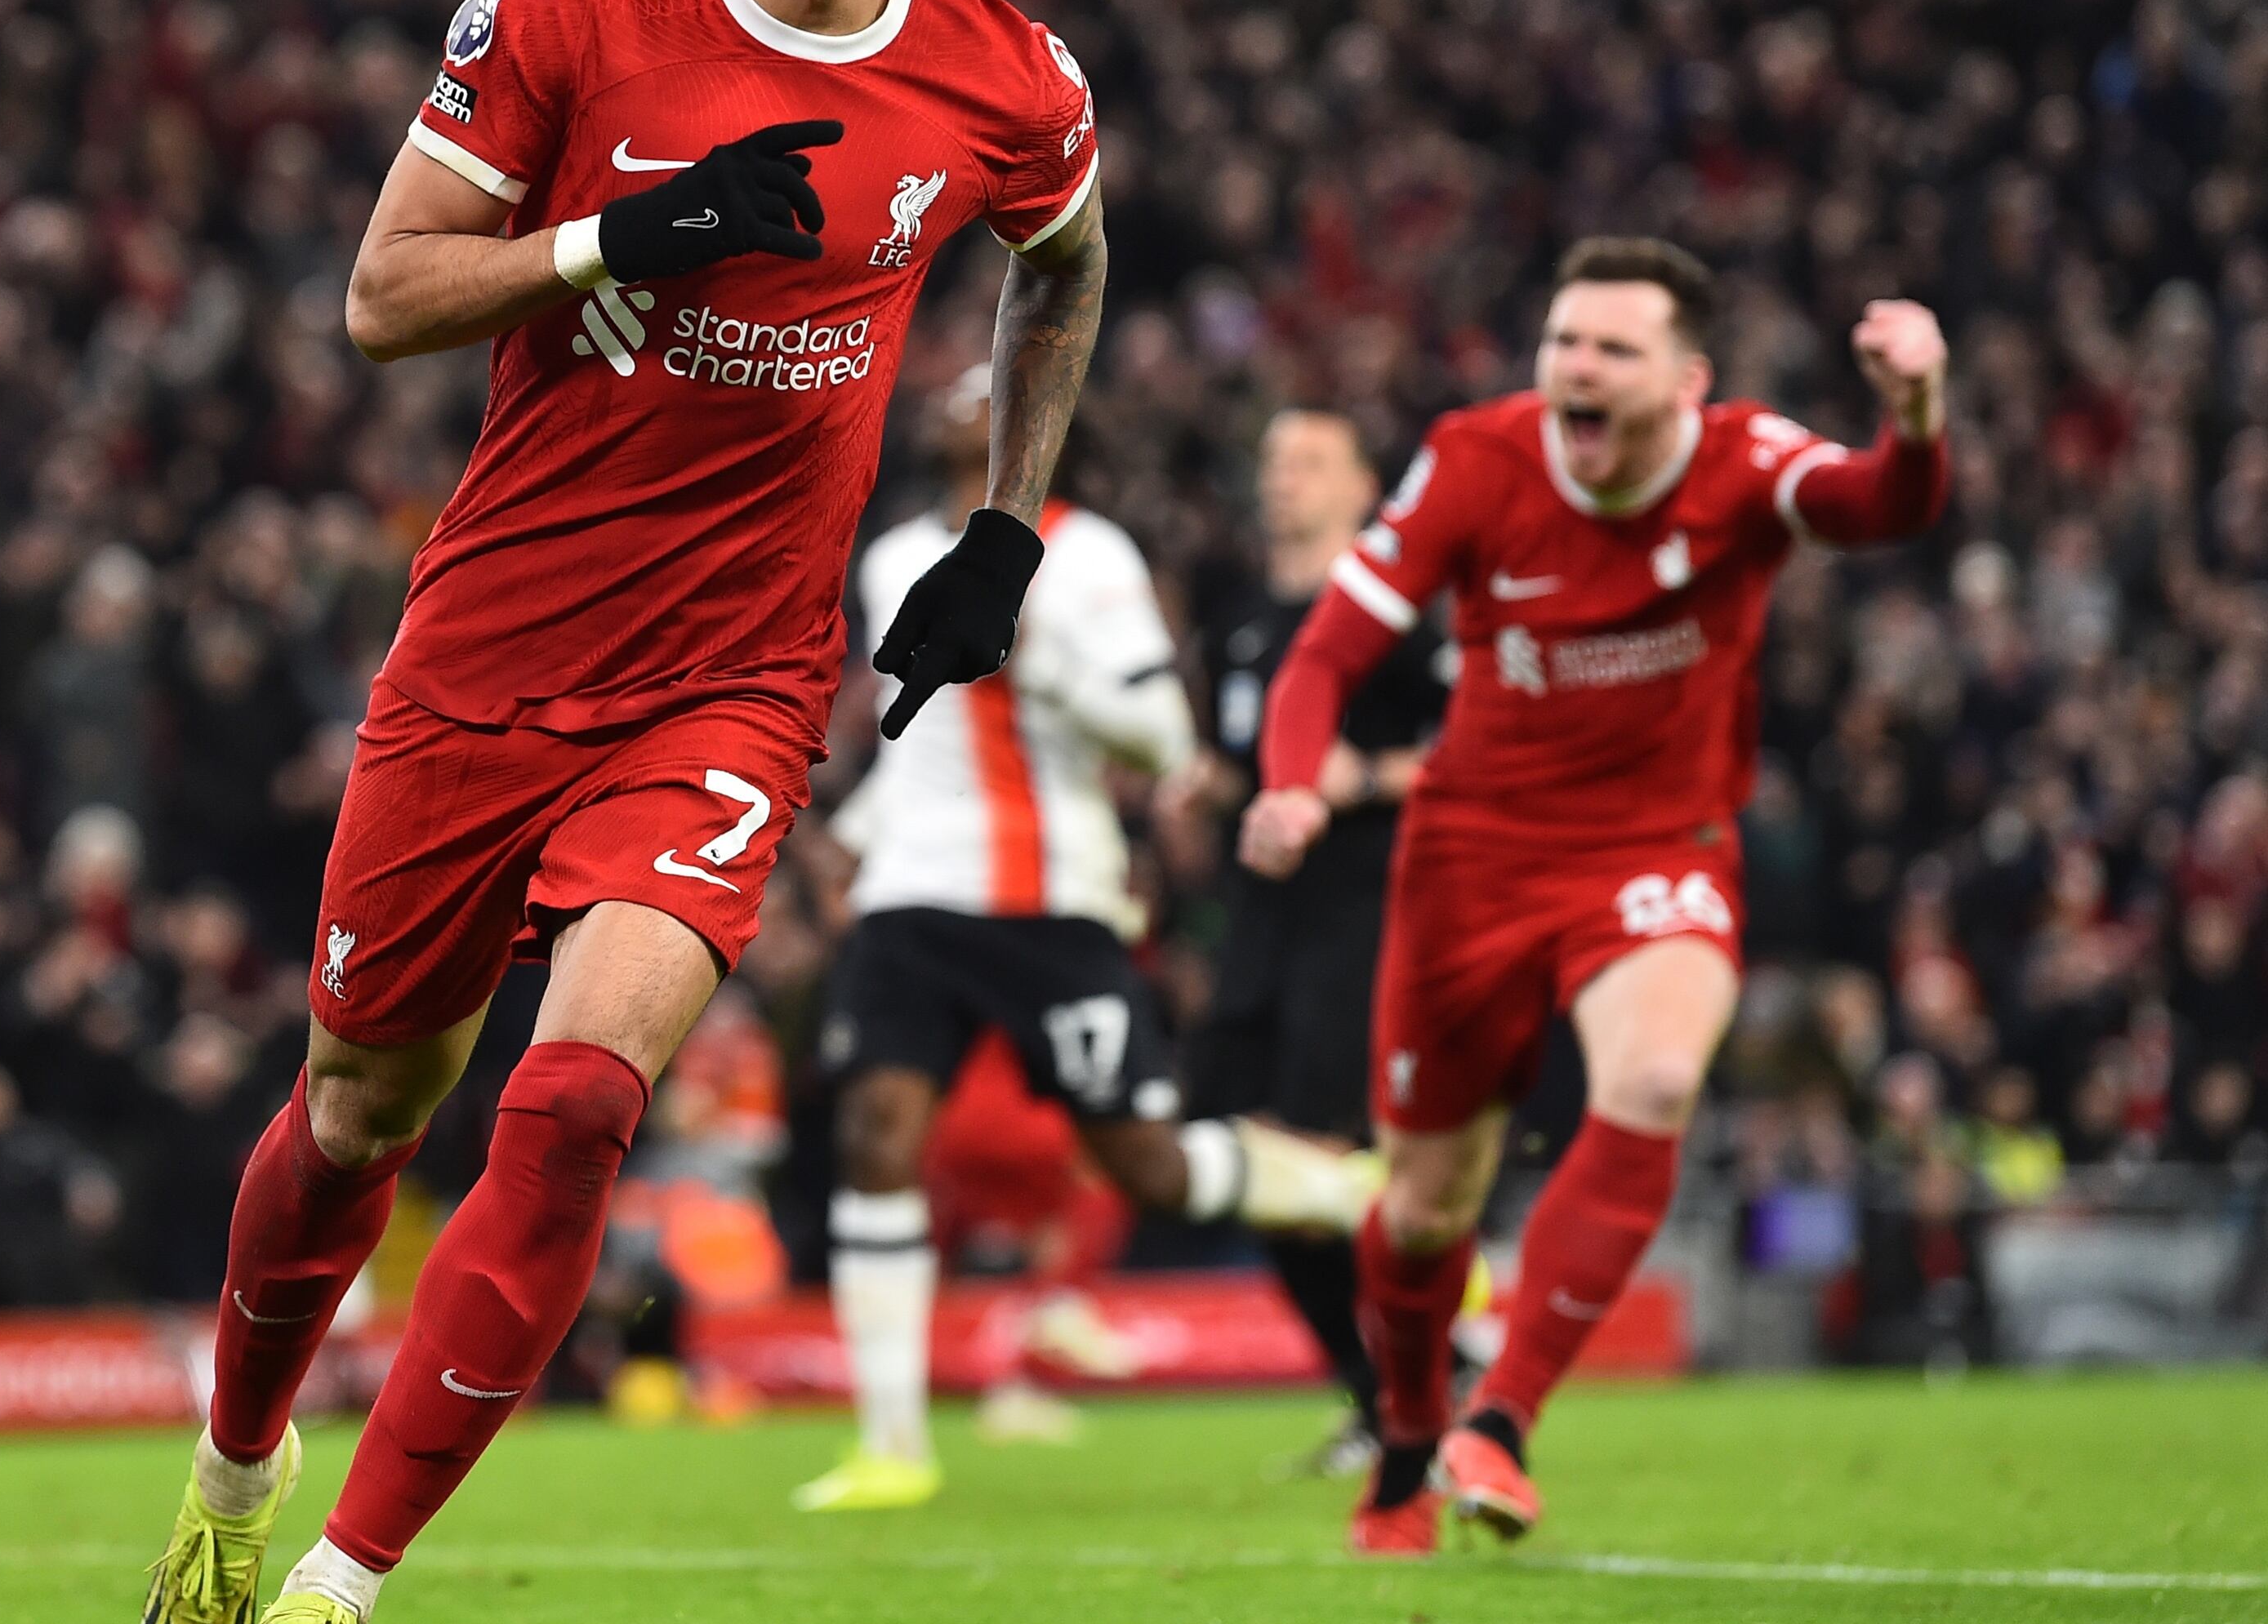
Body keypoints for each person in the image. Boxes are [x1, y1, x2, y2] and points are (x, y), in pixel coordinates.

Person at [131, 0, 1107, 1624]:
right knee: (362, 1120)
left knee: (574, 1101)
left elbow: (1070, 260)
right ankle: (226, 1494)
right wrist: (618, 241)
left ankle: (336, 1601)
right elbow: (386, 292)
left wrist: (1007, 524)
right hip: (488, 653)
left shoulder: (1004, 79)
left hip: (732, 684)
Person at [1239, 238, 1948, 1554]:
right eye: (1564, 341)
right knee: (1424, 1209)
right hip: (1471, 859)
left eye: (1614, 349)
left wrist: (1913, 408)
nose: (1578, 367)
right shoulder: (1476, 458)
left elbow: (1880, 505)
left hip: (1654, 845)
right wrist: (1292, 782)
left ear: (1688, 377)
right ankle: (1405, 1435)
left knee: (1660, 1077)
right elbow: (1325, 652)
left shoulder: (1745, 460)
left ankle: (1499, 1421)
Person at [791, 378, 1370, 1513]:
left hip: (1056, 892)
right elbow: (920, 741)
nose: (963, 391)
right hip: (917, 887)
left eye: (989, 384)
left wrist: (1041, 657)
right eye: (954, 383)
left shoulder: (1090, 554)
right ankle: (893, 1445)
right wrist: (856, 834)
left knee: (1142, 1162)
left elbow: (1164, 739)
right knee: (874, 1129)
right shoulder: (893, 553)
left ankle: (1358, 1191)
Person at [1190, 407, 1453, 1476]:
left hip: (1368, 910)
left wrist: (1373, 776)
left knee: (1313, 1144)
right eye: (1271, 459)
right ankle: (1385, 1384)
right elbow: (1243, 764)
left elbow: (1481, 753)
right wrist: (1198, 786)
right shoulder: (1245, 619)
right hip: (1260, 916)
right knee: (1229, 1148)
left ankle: (1426, 1372)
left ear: (1364, 486)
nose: (1282, 478)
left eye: (1308, 461)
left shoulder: (1401, 617)